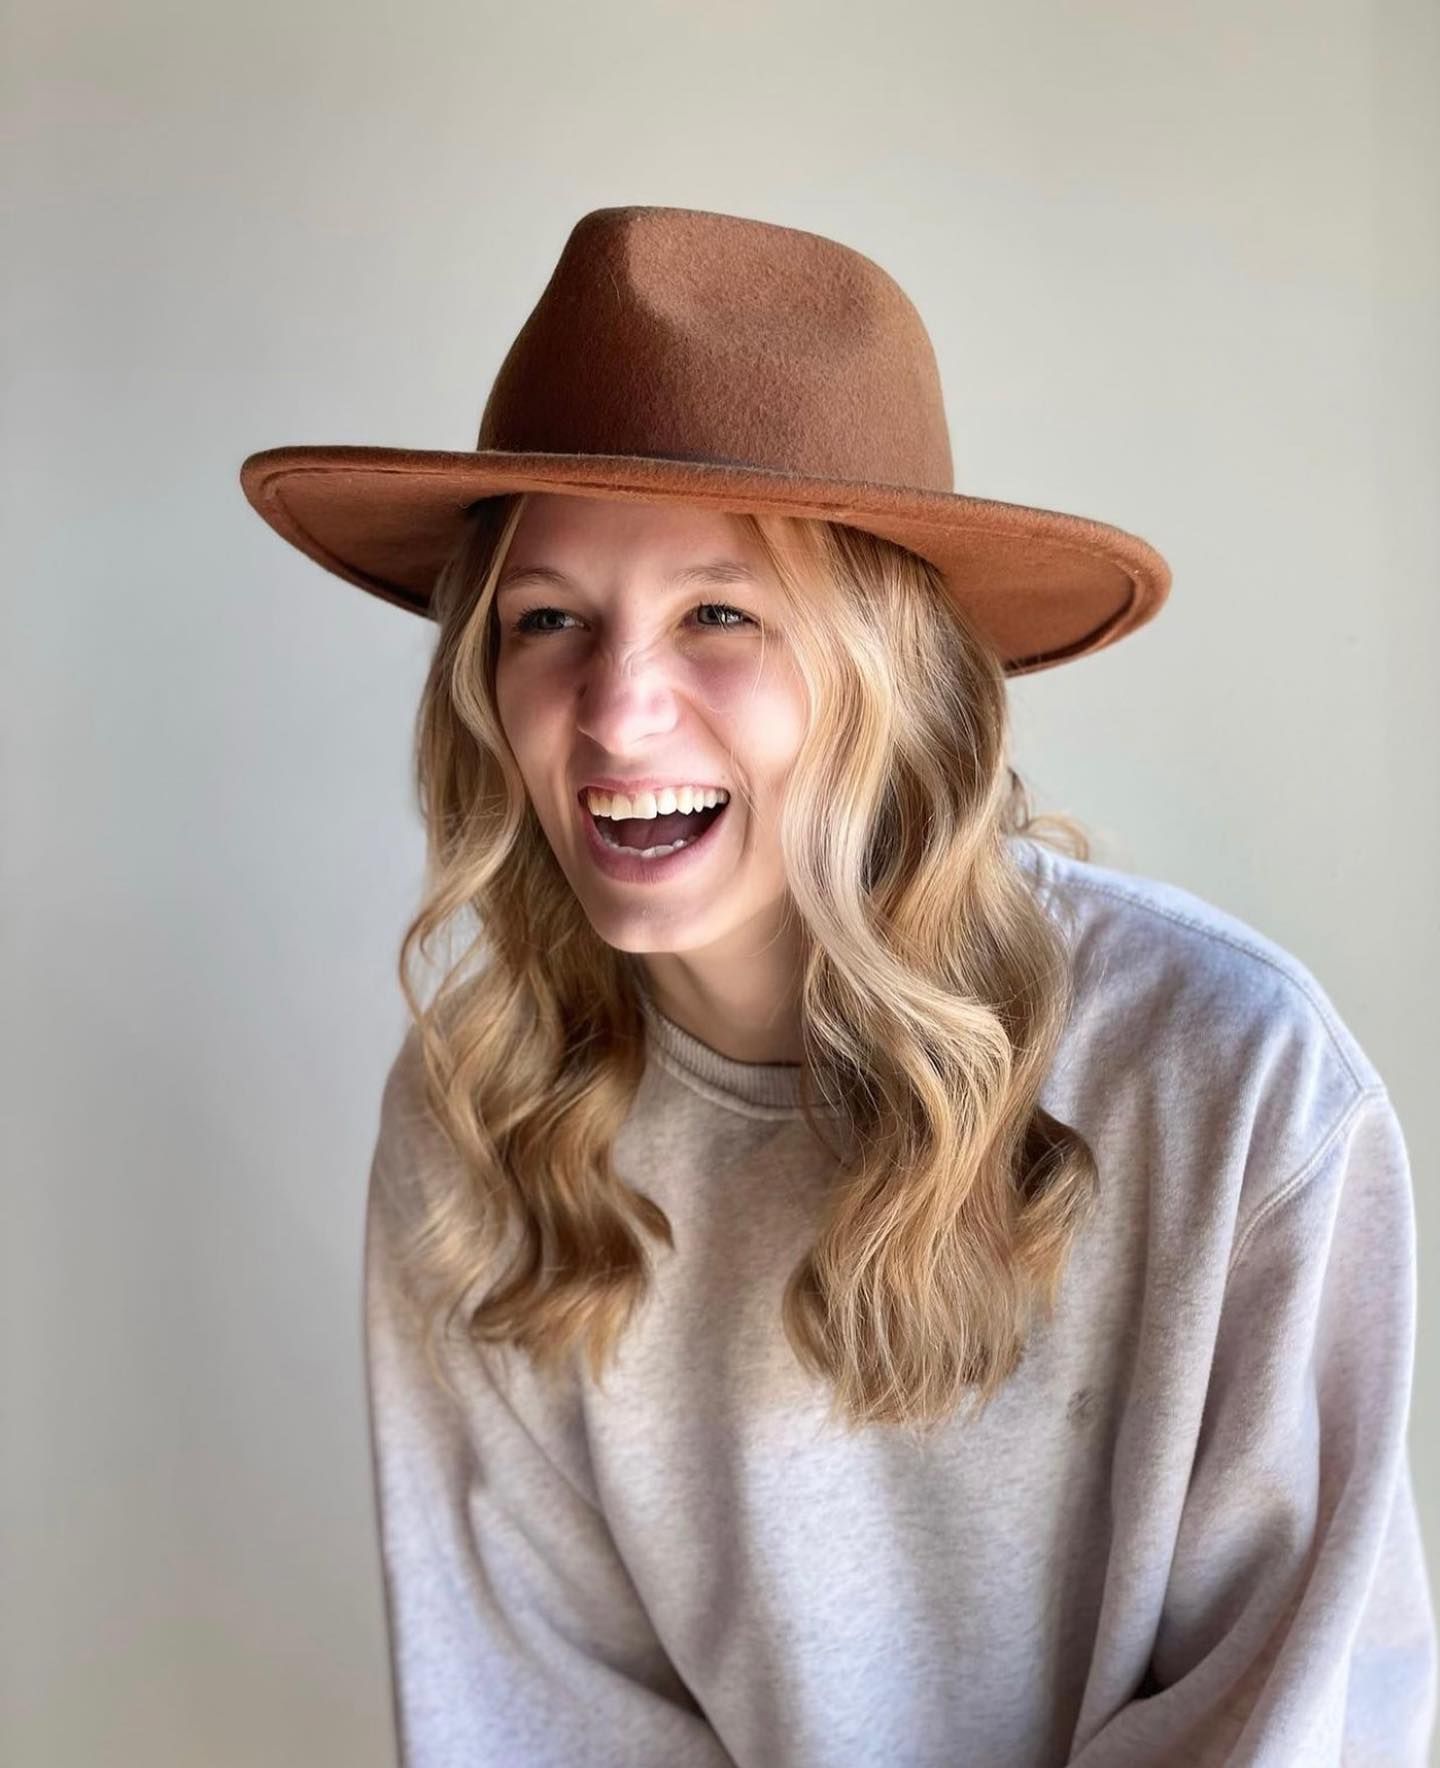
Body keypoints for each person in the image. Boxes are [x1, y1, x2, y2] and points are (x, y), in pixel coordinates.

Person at [240, 206, 1437, 1766]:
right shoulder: (487, 1108)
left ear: (892, 669)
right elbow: (535, 1718)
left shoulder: (1232, 1087)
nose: (614, 708)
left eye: (720, 614)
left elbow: (1292, 1715)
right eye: (548, 621)